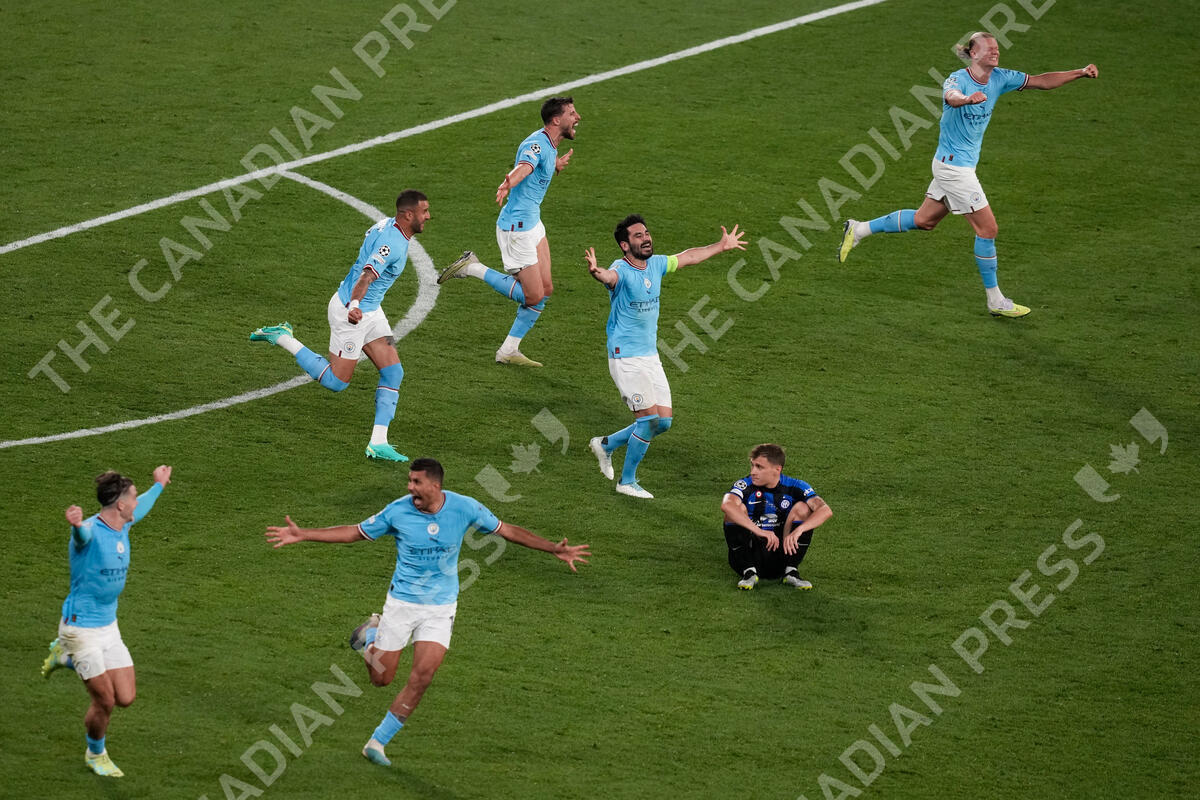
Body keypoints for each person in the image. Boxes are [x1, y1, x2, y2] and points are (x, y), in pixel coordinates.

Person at [264, 457, 590, 766]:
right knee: (381, 679)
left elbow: (507, 530)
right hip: (402, 605)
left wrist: (553, 548)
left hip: (441, 608)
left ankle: (377, 742)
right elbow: (354, 532)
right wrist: (304, 534)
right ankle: (370, 636)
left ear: (435, 485)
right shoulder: (397, 512)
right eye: (409, 481)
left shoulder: (465, 507)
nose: (410, 488)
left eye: (416, 482)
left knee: (422, 677)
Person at [838, 32, 1099, 318]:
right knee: (988, 230)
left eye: (997, 48)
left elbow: (1041, 80)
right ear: (973, 54)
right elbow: (951, 97)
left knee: (925, 220)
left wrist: (1079, 72)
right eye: (989, 49)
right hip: (954, 169)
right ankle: (995, 300)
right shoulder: (957, 79)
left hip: (957, 165)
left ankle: (858, 229)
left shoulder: (1001, 78)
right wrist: (967, 99)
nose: (995, 52)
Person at [249, 190, 433, 462]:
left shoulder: (388, 226)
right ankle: (282, 337)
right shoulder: (391, 244)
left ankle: (378, 443)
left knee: (393, 372)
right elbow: (366, 276)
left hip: (370, 311)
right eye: (424, 212)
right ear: (408, 215)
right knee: (336, 382)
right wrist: (355, 305)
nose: (428, 216)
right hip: (351, 313)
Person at [585, 214, 747, 498]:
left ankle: (606, 444)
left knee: (663, 422)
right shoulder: (621, 270)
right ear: (624, 245)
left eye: (646, 233)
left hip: (650, 355)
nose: (646, 238)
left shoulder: (656, 264)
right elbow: (609, 278)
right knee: (648, 420)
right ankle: (626, 481)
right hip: (625, 358)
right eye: (638, 236)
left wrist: (721, 246)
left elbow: (688, 257)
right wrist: (597, 272)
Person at [40, 465, 174, 777]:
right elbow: (82, 536)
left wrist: (159, 485)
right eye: (133, 498)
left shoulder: (123, 524)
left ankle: (64, 657)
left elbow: (145, 507)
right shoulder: (89, 531)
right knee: (106, 702)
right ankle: (95, 753)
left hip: (108, 627)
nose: (137, 503)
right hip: (80, 631)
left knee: (126, 697)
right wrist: (75, 525)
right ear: (121, 505)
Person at [436, 97, 581, 367]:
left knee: (546, 289)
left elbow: (537, 166)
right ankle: (471, 267)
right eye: (572, 113)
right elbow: (524, 167)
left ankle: (508, 350)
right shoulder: (536, 145)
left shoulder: (549, 144)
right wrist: (508, 183)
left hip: (533, 224)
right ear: (556, 120)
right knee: (533, 296)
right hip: (517, 231)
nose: (578, 117)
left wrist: (554, 166)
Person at [721, 444, 830, 590]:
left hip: (780, 554)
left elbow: (825, 510)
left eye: (759, 467)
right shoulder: (744, 484)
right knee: (735, 510)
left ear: (777, 469)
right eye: (752, 465)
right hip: (748, 554)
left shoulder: (795, 486)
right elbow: (727, 505)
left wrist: (799, 530)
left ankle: (791, 571)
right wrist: (760, 531)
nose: (753, 472)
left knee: (803, 508)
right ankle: (749, 572)